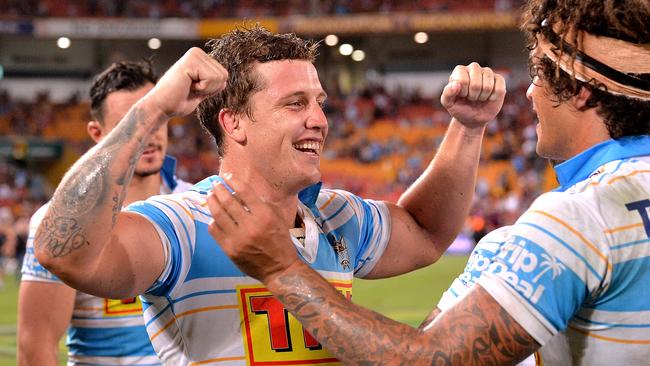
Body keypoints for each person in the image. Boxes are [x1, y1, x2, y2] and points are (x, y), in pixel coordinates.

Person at [206, 1, 650, 365]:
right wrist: (468, 129)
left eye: (540, 75)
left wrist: (283, 269)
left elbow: (428, 360)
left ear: (582, 91)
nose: (530, 93)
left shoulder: (577, 217)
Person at [32, 27, 505, 364]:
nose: (319, 120)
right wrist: (153, 108)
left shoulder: (335, 215)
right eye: (294, 104)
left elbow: (425, 232)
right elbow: (62, 252)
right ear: (233, 121)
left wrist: (467, 127)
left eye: (319, 102)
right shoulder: (182, 224)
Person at [18, 60, 192, 366]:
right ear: (98, 133)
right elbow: (36, 347)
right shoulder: (60, 223)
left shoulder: (197, 202)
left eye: (157, 119)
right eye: (132, 125)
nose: (149, 136)